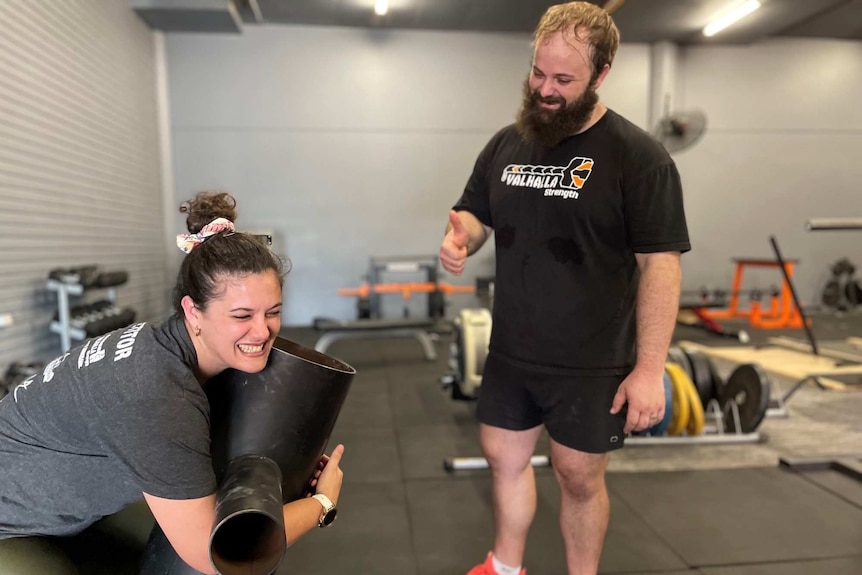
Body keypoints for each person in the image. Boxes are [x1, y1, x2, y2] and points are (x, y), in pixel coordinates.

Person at [439, 3, 690, 575]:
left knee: (578, 477)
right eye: (538, 74)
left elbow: (661, 267)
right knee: (503, 458)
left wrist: (649, 369)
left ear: (601, 75)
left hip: (592, 359)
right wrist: (462, 240)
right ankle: (505, 567)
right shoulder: (508, 144)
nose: (545, 91)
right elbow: (476, 214)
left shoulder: (639, 158)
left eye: (563, 80)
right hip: (511, 348)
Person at [0, 191, 345, 575]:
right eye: (242, 315)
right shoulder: (157, 395)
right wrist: (322, 504)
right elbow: (214, 556)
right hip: (10, 526)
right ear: (192, 311)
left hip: (63, 506)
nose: (262, 331)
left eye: (273, 312)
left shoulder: (162, 344)